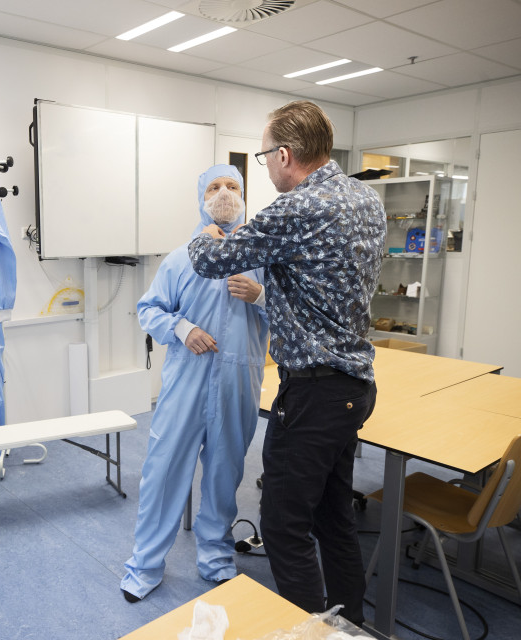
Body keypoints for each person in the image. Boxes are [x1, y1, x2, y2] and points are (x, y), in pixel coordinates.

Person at [187, 101, 386, 625]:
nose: (264, 168)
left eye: (262, 157)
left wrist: (209, 230)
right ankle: (348, 626)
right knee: (333, 517)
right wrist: (269, 294)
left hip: (313, 393)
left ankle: (312, 633)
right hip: (353, 386)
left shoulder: (297, 207)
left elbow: (209, 261)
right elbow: (323, 280)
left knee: (281, 524)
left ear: (284, 154)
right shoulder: (365, 198)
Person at [121, 164, 271, 603]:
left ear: (244, 196)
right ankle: (145, 565)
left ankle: (216, 558)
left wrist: (260, 295)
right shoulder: (182, 258)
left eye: (232, 186)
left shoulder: (262, 260)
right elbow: (149, 309)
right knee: (163, 472)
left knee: (225, 475)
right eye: (214, 187)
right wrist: (183, 329)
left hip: (238, 384)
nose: (224, 193)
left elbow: (288, 314)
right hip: (186, 384)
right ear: (200, 199)